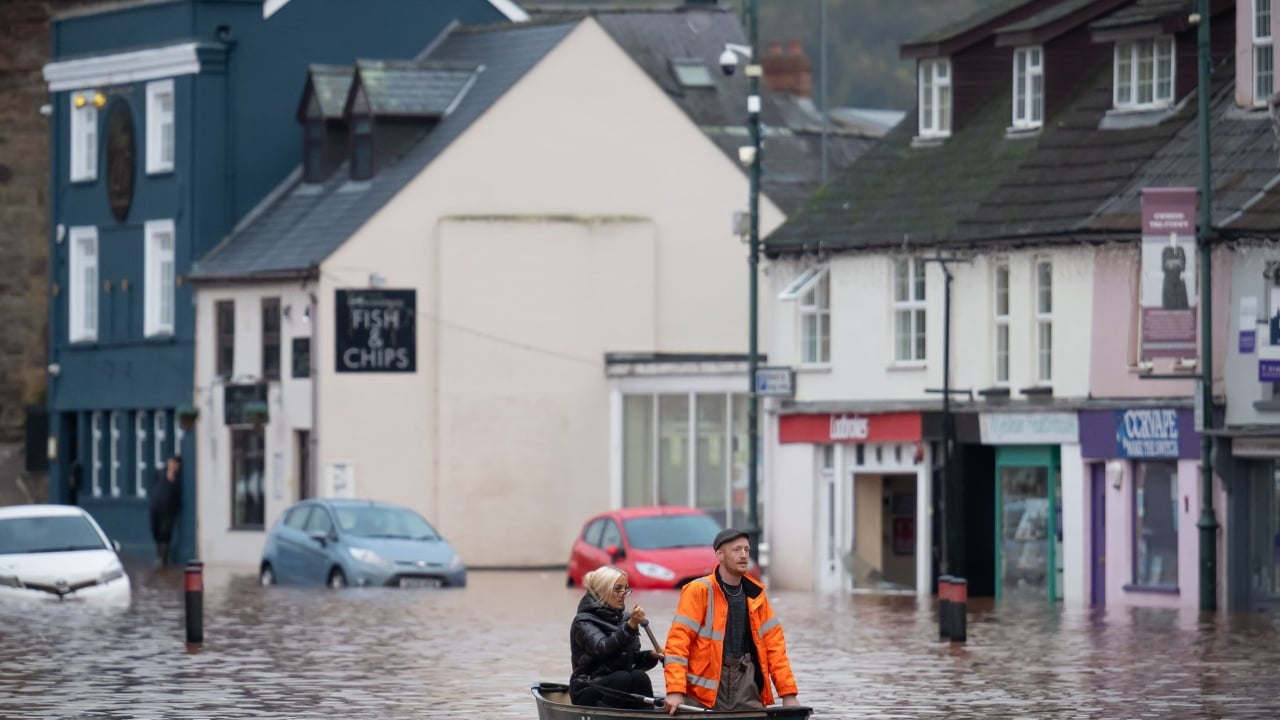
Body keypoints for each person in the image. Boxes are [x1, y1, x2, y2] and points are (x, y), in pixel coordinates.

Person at [663, 529, 800, 714]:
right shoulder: (699, 591)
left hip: (746, 685)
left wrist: (788, 694)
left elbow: (776, 650)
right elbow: (677, 644)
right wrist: (675, 690)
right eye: (736, 550)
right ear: (720, 555)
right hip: (702, 693)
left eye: (746, 549)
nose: (743, 555)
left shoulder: (757, 596)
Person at [569, 565, 662, 709]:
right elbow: (603, 648)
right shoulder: (583, 621)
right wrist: (630, 627)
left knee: (639, 676)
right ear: (601, 591)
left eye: (625, 589)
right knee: (622, 678)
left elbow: (631, 660)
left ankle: (646, 715)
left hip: (618, 685)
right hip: (588, 688)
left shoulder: (626, 619)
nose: (623, 594)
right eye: (618, 589)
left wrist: (651, 656)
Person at [149, 455, 182, 566]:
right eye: (170, 462)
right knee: (156, 530)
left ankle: (163, 558)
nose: (171, 465)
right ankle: (159, 554)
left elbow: (178, 493)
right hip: (156, 506)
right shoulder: (161, 473)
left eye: (174, 463)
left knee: (166, 532)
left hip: (169, 509)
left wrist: (173, 479)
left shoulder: (177, 478)